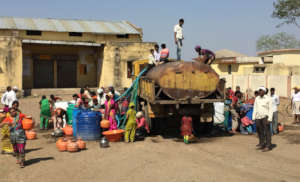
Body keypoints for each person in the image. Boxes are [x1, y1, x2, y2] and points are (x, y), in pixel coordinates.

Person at [253, 87, 273, 152]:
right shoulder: (257, 98)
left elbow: (271, 109)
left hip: (265, 117)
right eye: (259, 90)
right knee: (260, 131)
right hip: (258, 117)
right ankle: (261, 143)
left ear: (264, 92)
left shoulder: (268, 99)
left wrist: (269, 119)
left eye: (261, 91)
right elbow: (255, 108)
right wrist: (254, 117)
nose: (260, 92)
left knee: (267, 131)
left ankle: (268, 145)